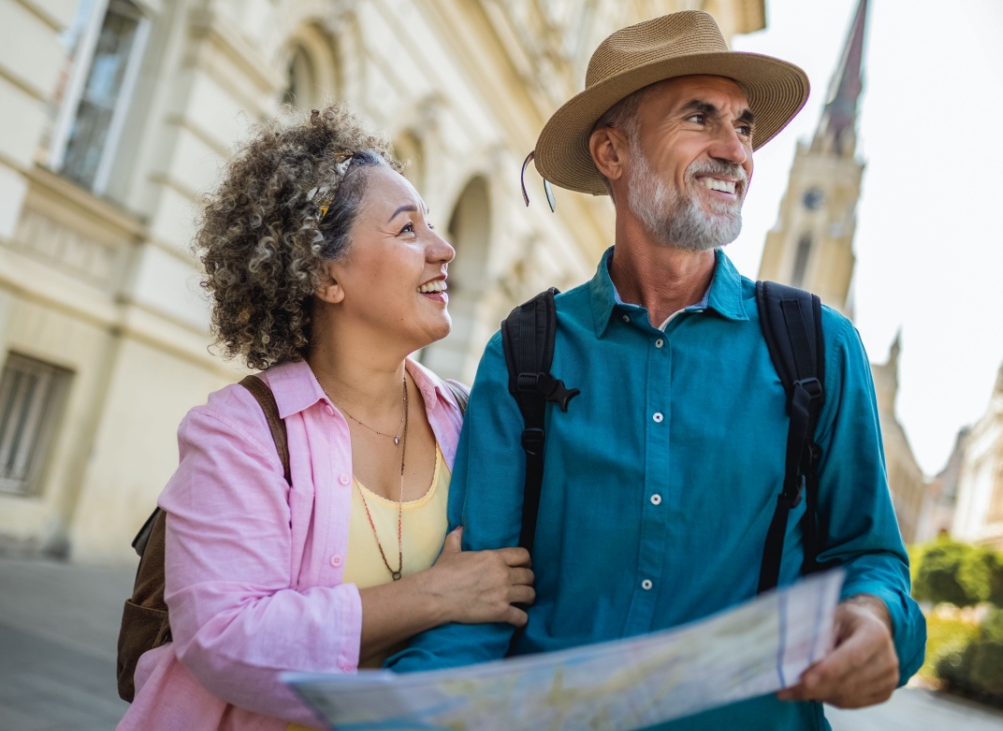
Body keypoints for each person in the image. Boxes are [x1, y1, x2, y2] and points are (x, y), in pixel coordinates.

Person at [386, 11, 926, 729]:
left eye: (743, 125)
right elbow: (477, 609)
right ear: (612, 151)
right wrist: (390, 713)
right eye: (700, 118)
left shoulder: (819, 349)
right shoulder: (525, 352)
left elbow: (873, 558)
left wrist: (878, 617)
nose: (735, 149)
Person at [118, 106, 535, 730]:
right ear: (324, 274)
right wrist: (435, 594)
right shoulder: (240, 431)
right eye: (407, 231)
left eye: (434, 228)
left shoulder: (466, 419)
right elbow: (226, 639)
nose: (443, 251)